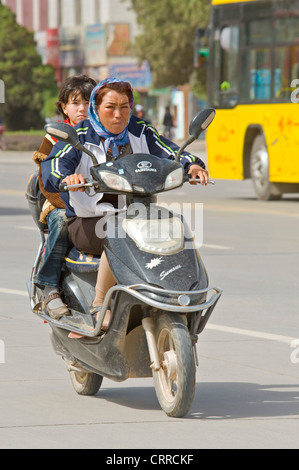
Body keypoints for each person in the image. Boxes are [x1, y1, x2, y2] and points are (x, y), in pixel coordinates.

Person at [41, 77, 209, 331]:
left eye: (124, 107)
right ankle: (99, 304)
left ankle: (186, 291)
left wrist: (192, 164)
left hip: (139, 215)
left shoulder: (141, 130)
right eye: (110, 107)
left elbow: (170, 151)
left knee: (175, 226)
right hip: (89, 221)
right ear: (97, 109)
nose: (118, 115)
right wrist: (66, 177)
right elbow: (54, 164)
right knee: (117, 230)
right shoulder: (81, 135)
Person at [33, 74, 96, 320]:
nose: (82, 108)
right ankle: (48, 287)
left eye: (88, 102)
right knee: (61, 220)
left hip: (98, 203)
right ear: (63, 107)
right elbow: (46, 183)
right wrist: (72, 205)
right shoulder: (54, 136)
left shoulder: (104, 133)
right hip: (61, 202)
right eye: (75, 102)